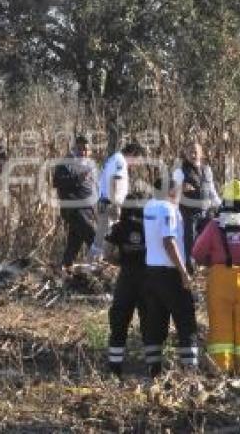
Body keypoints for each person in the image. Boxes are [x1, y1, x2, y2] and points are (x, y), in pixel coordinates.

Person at [192, 180, 240, 376]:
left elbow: (197, 253)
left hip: (220, 282)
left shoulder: (214, 225)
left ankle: (221, 370)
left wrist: (212, 259)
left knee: (220, 329)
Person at [142, 177, 198, 377]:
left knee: (155, 322)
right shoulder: (169, 210)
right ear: (172, 192)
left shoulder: (149, 206)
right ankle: (190, 371)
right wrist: (183, 273)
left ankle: (153, 371)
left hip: (151, 272)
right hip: (170, 273)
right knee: (186, 320)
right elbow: (169, 242)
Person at [104, 192, 146, 376]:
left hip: (126, 279)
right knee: (150, 322)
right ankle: (153, 367)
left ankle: (115, 366)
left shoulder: (119, 228)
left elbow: (107, 254)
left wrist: (120, 261)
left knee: (119, 322)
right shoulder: (150, 226)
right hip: (147, 280)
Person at [173, 142, 221, 273]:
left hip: (206, 212)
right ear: (186, 154)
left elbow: (212, 191)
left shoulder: (207, 169)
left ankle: (206, 268)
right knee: (190, 242)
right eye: (190, 152)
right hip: (188, 213)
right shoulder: (180, 171)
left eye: (196, 152)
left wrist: (220, 206)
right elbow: (172, 192)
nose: (193, 155)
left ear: (201, 153)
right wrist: (181, 189)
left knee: (209, 240)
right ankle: (189, 269)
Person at [92, 142, 146, 260]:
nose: (136, 164)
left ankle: (94, 262)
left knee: (101, 237)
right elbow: (115, 182)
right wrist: (116, 205)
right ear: (132, 154)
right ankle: (94, 264)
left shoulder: (115, 159)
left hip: (106, 202)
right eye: (137, 160)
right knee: (105, 238)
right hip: (110, 204)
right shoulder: (120, 162)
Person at [53, 134, 98, 269]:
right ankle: (100, 268)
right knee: (94, 238)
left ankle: (65, 268)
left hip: (87, 209)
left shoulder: (88, 164)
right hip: (74, 209)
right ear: (75, 148)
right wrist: (78, 179)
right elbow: (57, 182)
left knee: (74, 243)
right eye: (81, 149)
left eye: (86, 150)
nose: (84, 152)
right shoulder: (66, 164)